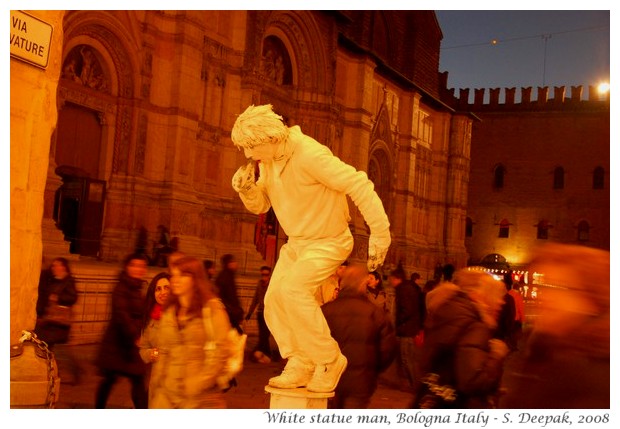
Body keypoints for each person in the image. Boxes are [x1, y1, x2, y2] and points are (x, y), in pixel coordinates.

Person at [231, 104, 391, 393]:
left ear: (270, 138)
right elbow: (263, 205)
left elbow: (359, 185)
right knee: (275, 300)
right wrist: (248, 191)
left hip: (328, 240)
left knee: (293, 291)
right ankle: (300, 360)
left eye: (250, 147)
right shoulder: (268, 161)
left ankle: (329, 360)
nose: (247, 155)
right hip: (298, 243)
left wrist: (380, 233)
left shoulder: (309, 154)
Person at [502, 244, 609, 409]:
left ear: (590, 297)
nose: (545, 297)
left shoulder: (594, 373)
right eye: (544, 285)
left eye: (559, 287)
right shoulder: (543, 348)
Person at [415, 269, 509, 408]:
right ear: (481, 296)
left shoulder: (446, 312)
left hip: (433, 399)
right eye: (497, 296)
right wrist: (496, 356)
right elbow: (472, 381)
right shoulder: (475, 326)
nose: (501, 302)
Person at [151, 256, 233, 408]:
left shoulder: (212, 309)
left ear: (196, 278)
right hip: (167, 395)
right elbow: (163, 353)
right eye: (173, 275)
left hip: (200, 398)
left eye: (182, 275)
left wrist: (200, 382)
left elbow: (222, 351)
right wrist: (156, 387)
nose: (175, 280)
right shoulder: (169, 312)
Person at [322, 263, 397, 408]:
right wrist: (373, 369)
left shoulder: (326, 311)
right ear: (363, 283)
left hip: (330, 379)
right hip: (361, 381)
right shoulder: (375, 313)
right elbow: (388, 349)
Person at [95, 253, 149, 409]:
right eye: (134, 265)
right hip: (119, 344)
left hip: (128, 345)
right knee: (110, 380)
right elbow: (121, 314)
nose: (138, 269)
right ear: (127, 267)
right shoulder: (121, 288)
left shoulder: (138, 287)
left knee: (136, 379)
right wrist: (135, 337)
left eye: (141, 266)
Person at [34, 257, 80, 384]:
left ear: (64, 267)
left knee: (59, 350)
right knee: (50, 347)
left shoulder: (68, 280)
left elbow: (73, 297)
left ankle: (73, 371)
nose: (55, 268)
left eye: (58, 265)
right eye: (53, 266)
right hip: (51, 320)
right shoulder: (53, 280)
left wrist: (58, 297)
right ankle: (54, 373)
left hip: (60, 321)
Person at [388, 266, 424, 394]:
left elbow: (406, 310)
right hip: (410, 328)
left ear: (397, 278)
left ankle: (415, 385)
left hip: (406, 329)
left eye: (392, 279)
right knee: (407, 358)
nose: (390, 282)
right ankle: (410, 383)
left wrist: (399, 323)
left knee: (406, 358)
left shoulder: (404, 290)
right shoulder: (410, 288)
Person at [139, 272, 171, 406]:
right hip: (157, 379)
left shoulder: (182, 315)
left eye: (166, 288)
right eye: (158, 289)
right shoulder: (150, 318)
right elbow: (143, 347)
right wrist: (151, 354)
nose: (162, 292)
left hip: (178, 380)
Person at [245, 266, 273, 363]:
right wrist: (249, 313)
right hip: (260, 313)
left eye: (266, 275)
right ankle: (266, 355)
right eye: (263, 274)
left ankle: (257, 353)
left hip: (269, 313)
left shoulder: (272, 285)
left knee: (265, 335)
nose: (264, 277)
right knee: (262, 335)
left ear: (269, 275)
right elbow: (255, 299)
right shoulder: (259, 285)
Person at [215, 254, 244, 333]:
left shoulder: (225, 276)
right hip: (229, 313)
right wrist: (237, 312)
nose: (236, 264)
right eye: (233, 261)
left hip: (228, 312)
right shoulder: (226, 277)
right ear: (228, 264)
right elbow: (231, 297)